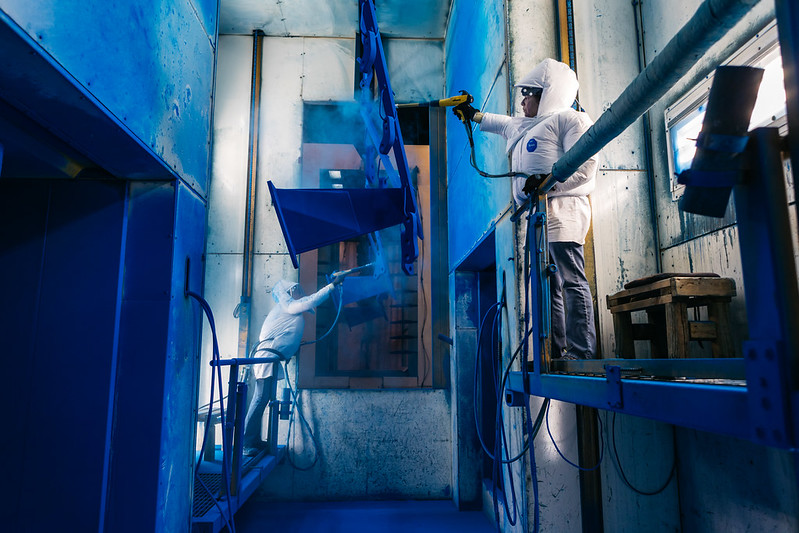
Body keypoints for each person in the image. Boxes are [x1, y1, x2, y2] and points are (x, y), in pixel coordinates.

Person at [459, 58, 597, 360]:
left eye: (528, 95)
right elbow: (500, 122)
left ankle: (582, 351)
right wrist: (474, 115)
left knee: (571, 280)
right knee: (549, 286)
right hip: (540, 217)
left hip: (564, 212)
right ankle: (558, 351)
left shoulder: (570, 120)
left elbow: (585, 167)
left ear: (546, 94)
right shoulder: (524, 126)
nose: (522, 101)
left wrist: (550, 182)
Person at [243, 277, 342, 455]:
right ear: (289, 291)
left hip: (271, 359)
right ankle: (246, 442)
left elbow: (286, 332)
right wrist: (332, 286)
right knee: (260, 399)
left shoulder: (289, 310)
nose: (300, 291)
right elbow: (309, 301)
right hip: (267, 358)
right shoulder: (287, 306)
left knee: (264, 399)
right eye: (296, 289)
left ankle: (254, 441)